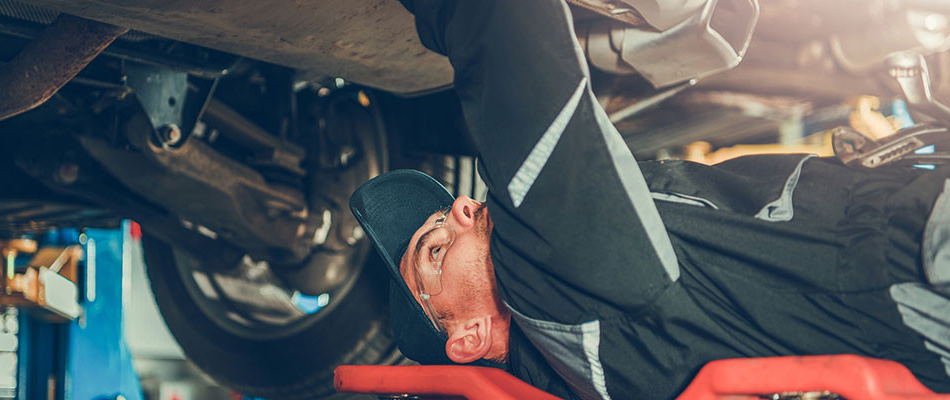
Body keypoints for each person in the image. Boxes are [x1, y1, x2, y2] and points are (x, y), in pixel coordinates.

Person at [347, 1, 950, 399]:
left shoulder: (588, 358)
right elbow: (505, 30)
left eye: (440, 213)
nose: (458, 210)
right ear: (470, 337)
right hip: (919, 258)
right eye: (434, 249)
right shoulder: (558, 302)